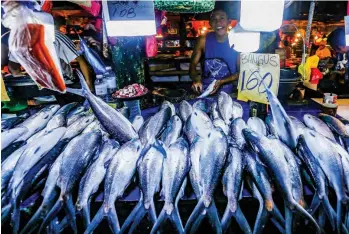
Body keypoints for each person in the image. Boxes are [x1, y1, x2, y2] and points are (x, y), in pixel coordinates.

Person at [5, 4, 94, 92]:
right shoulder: (56, 36)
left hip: (47, 87)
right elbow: (80, 59)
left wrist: (28, 82)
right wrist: (89, 84)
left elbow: (14, 69)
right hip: (64, 85)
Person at [190, 7, 239, 95]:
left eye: (222, 18)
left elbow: (241, 73)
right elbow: (192, 65)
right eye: (214, 19)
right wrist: (196, 80)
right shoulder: (203, 40)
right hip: (205, 89)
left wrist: (221, 81)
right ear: (210, 23)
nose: (218, 22)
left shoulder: (236, 41)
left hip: (229, 91)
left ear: (229, 22)